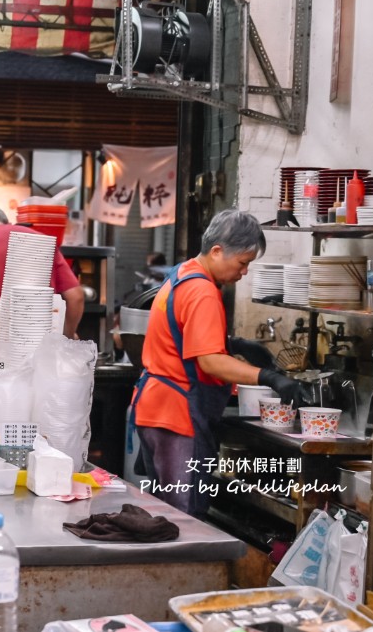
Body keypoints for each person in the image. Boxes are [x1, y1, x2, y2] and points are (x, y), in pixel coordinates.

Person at [129, 209, 310, 517]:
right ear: (216, 251)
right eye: (242, 263)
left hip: (157, 409)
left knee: (167, 514)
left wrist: (236, 344)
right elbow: (211, 363)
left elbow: (181, 334)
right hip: (177, 415)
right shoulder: (203, 293)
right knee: (183, 519)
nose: (244, 273)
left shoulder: (184, 274)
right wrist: (270, 378)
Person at [0, 205, 85, 338]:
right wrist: (68, 335)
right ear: (8, 223)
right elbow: (76, 296)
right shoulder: (42, 240)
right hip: (40, 341)